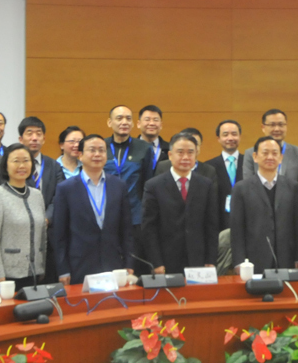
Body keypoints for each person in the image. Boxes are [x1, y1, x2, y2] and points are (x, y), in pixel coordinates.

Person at [53, 134, 133, 286]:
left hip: (113, 262)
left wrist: (129, 262)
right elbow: (59, 234)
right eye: (92, 150)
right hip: (79, 264)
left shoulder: (119, 185)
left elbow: (126, 229)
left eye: (101, 150)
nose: (97, 154)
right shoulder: (66, 188)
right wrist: (63, 269)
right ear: (80, 155)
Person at [142, 132, 219, 274]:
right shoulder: (153, 185)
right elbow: (149, 228)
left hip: (198, 259)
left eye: (190, 152)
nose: (185, 157)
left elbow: (211, 226)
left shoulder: (206, 184)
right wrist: (156, 262)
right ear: (170, 155)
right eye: (180, 152)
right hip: (166, 260)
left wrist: (210, 260)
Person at [232, 136, 298, 274]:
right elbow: (237, 229)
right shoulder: (241, 188)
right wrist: (239, 261)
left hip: (286, 257)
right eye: (265, 153)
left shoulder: (292, 187)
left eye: (274, 153)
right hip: (253, 259)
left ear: (281, 158)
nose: (270, 157)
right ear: (255, 157)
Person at [0, 143, 48, 290]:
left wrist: (42, 266)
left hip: (35, 272)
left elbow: (42, 235)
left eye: (26, 160)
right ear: (5, 165)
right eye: (16, 161)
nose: (21, 165)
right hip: (7, 276)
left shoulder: (37, 195)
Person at [19, 116, 65, 281]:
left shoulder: (54, 166)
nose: (34, 138)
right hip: (22, 231)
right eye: (29, 133)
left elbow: (59, 196)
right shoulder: (15, 166)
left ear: (44, 139)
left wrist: (47, 218)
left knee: (49, 282)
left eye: (38, 134)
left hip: (49, 232)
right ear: (20, 139)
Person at [104, 106, 154, 244]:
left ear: (133, 123)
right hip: (106, 212)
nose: (124, 122)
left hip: (135, 215)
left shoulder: (144, 147)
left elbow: (148, 181)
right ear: (109, 122)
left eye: (128, 118)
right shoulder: (101, 146)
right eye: (119, 118)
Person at [243, 109, 298, 204]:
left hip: (290, 208)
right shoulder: (251, 153)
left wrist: (295, 208)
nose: (277, 129)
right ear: (263, 127)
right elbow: (248, 186)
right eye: (272, 125)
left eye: (281, 125)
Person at [205, 120, 244, 231]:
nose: (230, 138)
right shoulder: (208, 166)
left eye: (234, 134)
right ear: (218, 138)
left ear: (240, 136)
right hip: (218, 224)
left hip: (246, 222)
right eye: (225, 134)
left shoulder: (250, 163)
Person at [136, 105, 169, 174]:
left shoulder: (170, 149)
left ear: (161, 125)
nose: (151, 123)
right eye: (147, 119)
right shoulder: (130, 147)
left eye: (155, 120)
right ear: (139, 124)